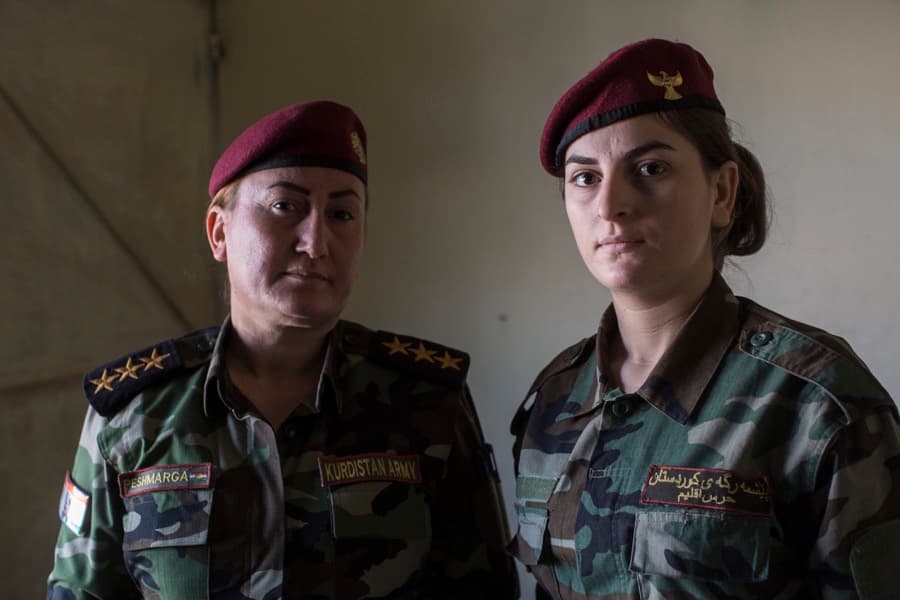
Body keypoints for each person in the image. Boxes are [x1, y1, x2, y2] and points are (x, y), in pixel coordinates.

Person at [48, 100, 519, 599]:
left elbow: (485, 589)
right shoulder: (132, 411)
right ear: (219, 232)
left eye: (342, 213)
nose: (317, 242)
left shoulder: (429, 402)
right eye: (285, 206)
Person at [509, 39, 900, 598]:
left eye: (649, 167)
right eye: (585, 177)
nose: (611, 205)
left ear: (722, 191)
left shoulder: (818, 401)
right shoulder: (555, 398)